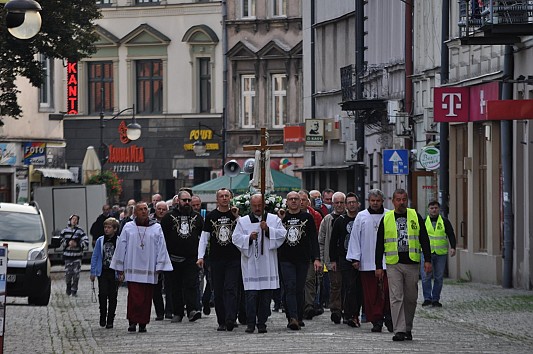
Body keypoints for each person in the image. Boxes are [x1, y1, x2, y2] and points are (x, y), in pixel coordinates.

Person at [375, 189, 432, 341]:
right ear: (393, 201)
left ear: (407, 200)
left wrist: (427, 259)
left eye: (404, 199)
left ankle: (407, 327)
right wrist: (378, 266)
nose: (401, 202)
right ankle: (399, 330)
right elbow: (379, 243)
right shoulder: (386, 218)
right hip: (394, 264)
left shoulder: (415, 216)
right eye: (398, 200)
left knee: (411, 298)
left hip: (412, 263)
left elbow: (424, 238)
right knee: (396, 297)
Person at [110, 202, 173, 333]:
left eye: (145, 209)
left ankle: (143, 322)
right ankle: (132, 322)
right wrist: (119, 266)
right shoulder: (128, 227)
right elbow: (121, 247)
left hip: (149, 269)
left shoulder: (156, 228)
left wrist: (160, 265)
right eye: (141, 209)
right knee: (134, 297)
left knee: (146, 297)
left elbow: (162, 247)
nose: (144, 211)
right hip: (132, 267)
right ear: (135, 212)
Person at [232, 194, 286, 334]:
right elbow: (236, 238)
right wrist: (249, 238)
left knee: (265, 297)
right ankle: (250, 323)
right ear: (250, 205)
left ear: (264, 205)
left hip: (267, 264)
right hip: (251, 265)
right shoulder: (243, 221)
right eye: (254, 206)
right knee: (251, 296)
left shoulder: (273, 219)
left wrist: (268, 230)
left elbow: (282, 235)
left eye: (259, 205)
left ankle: (262, 323)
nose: (257, 208)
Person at [347, 189, 393, 333]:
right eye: (372, 201)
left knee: (387, 291)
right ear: (368, 201)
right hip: (367, 262)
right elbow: (354, 237)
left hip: (387, 261)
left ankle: (389, 316)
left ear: (382, 201)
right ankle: (376, 320)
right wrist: (355, 257)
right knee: (370, 294)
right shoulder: (361, 216)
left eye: (377, 201)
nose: (375, 203)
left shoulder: (389, 215)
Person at [197, 188, 241, 331]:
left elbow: (244, 230)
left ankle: (231, 318)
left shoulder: (235, 214)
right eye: (221, 196)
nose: (224, 198)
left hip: (233, 258)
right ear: (217, 199)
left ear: (231, 198)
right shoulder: (211, 216)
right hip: (216, 259)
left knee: (231, 289)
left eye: (226, 196)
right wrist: (200, 257)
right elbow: (204, 238)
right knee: (218, 290)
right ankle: (221, 320)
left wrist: (237, 217)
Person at [280, 191, 322, 330]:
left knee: (299, 288)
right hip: (286, 258)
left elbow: (313, 239)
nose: (293, 201)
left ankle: (298, 315)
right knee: (289, 287)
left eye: (296, 199)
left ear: (301, 202)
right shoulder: (282, 217)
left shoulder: (307, 218)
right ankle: (292, 317)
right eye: (290, 199)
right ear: (287, 202)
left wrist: (316, 258)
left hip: (303, 258)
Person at [161, 190, 203, 324]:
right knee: (176, 286)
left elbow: (203, 237)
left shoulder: (197, 217)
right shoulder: (168, 217)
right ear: (178, 201)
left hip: (191, 258)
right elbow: (163, 238)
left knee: (191, 284)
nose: (187, 203)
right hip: (174, 258)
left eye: (189, 200)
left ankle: (192, 310)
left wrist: (202, 256)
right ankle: (177, 312)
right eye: (184, 200)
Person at [329, 192, 362, 327]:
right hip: (344, 258)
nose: (352, 205)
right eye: (349, 202)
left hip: (361, 258)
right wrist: (333, 260)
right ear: (346, 205)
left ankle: (357, 313)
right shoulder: (340, 221)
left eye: (354, 202)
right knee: (348, 287)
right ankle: (349, 314)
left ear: (358, 204)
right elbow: (333, 242)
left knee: (359, 287)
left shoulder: (362, 218)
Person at [420, 200, 457, 308]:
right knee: (426, 276)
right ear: (428, 209)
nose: (434, 210)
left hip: (441, 253)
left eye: (436, 208)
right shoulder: (423, 221)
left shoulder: (444, 221)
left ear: (439, 209)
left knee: (439, 277)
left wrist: (453, 247)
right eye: (432, 208)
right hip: (426, 253)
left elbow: (451, 234)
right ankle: (427, 298)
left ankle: (436, 299)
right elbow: (419, 237)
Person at [318, 191, 346, 324]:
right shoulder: (327, 220)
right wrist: (323, 259)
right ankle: (335, 310)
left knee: (347, 285)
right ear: (333, 204)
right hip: (332, 259)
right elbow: (321, 240)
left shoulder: (351, 218)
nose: (339, 205)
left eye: (342, 202)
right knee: (335, 285)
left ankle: (347, 310)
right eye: (337, 203)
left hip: (347, 258)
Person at [90, 217, 120, 329]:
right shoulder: (100, 240)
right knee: (102, 294)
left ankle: (110, 319)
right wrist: (93, 271)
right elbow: (95, 256)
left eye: (109, 227)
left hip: (114, 272)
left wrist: (122, 272)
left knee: (113, 296)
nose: (106, 229)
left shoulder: (119, 241)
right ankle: (103, 315)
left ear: (115, 229)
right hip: (102, 271)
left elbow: (122, 256)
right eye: (105, 227)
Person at [298, 190, 324, 320]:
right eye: (299, 199)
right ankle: (298, 306)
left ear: (308, 201)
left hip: (309, 254)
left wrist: (317, 257)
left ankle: (308, 306)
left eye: (304, 200)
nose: (301, 202)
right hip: (295, 255)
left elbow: (317, 237)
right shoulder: (287, 214)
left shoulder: (315, 215)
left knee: (310, 280)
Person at [150, 201, 172, 321]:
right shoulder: (150, 222)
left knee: (169, 285)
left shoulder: (170, 221)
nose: (161, 211)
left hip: (168, 256)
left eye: (164, 209)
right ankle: (159, 312)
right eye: (159, 209)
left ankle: (169, 310)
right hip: (154, 257)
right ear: (155, 209)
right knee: (156, 286)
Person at [61, 214, 89, 297]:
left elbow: (86, 241)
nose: (74, 221)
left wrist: (78, 244)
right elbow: (60, 240)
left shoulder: (80, 231)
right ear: (70, 220)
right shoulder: (64, 231)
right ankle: (68, 287)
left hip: (77, 256)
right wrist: (67, 243)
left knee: (76, 274)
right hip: (67, 256)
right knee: (68, 273)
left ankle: (74, 290)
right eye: (73, 219)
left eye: (76, 219)